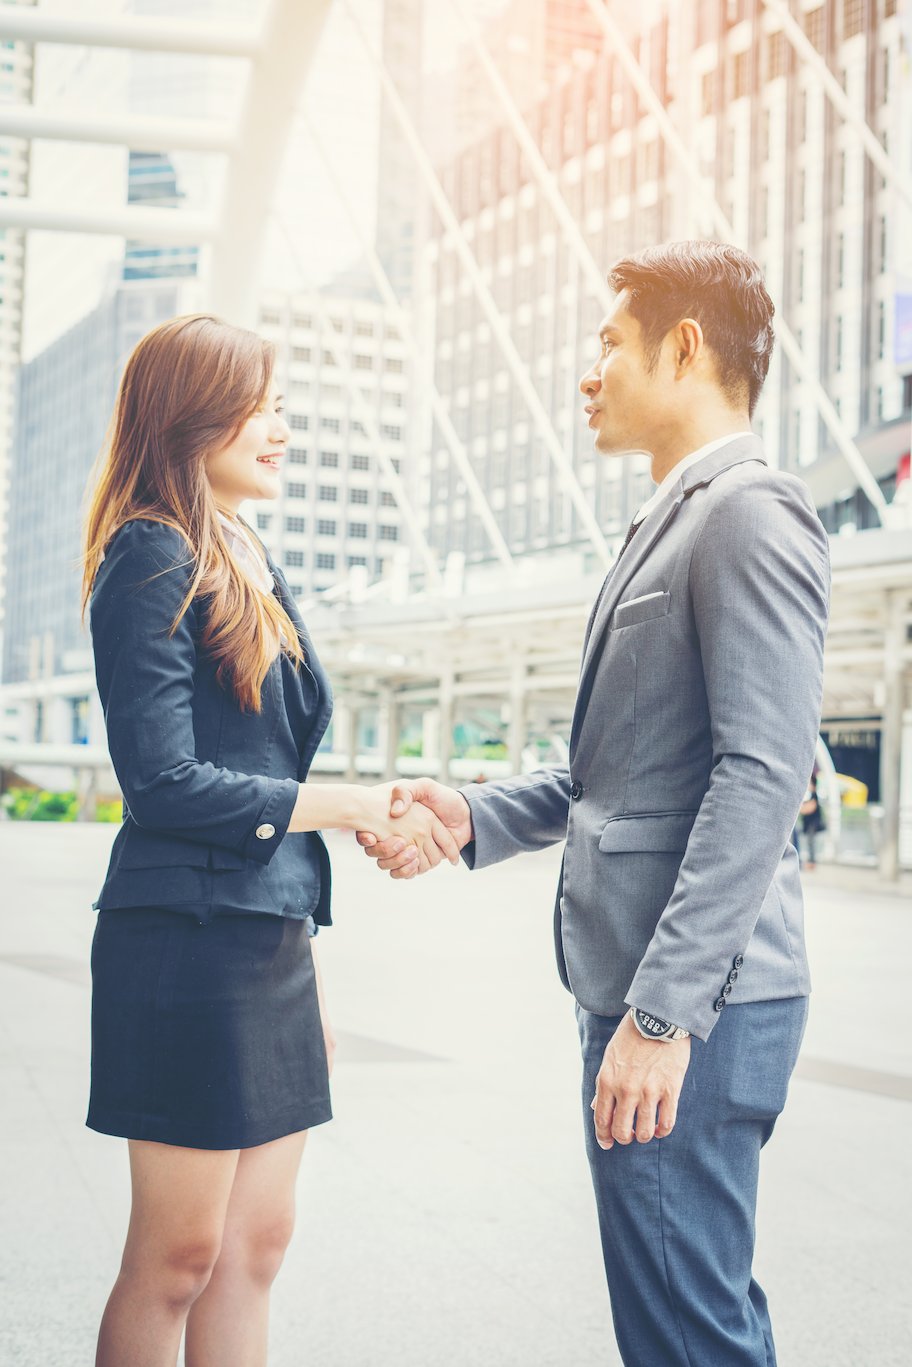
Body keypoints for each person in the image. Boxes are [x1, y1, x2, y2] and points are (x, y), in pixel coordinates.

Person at [358, 242, 831, 1366]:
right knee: (685, 1315)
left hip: (692, 1008)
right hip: (648, 993)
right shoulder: (674, 518)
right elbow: (620, 768)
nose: (588, 369)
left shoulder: (748, 515)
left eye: (608, 341)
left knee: (687, 1335)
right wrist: (474, 811)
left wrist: (663, 1018)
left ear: (683, 345)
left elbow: (763, 776)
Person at [80, 313, 459, 1367]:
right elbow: (162, 782)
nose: (281, 427)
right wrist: (348, 805)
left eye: (284, 404)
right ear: (191, 412)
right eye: (262, 405)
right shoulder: (151, 553)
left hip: (268, 937)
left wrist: (312, 965)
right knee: (178, 1255)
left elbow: (264, 762)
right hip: (184, 938)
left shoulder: (245, 552)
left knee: (257, 1245)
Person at [800, 773, 826, 870]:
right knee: (810, 843)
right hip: (810, 824)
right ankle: (811, 863)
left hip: (813, 824)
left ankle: (812, 863)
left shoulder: (814, 795)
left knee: (811, 843)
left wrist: (798, 809)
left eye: (809, 783)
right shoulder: (811, 795)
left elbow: (810, 808)